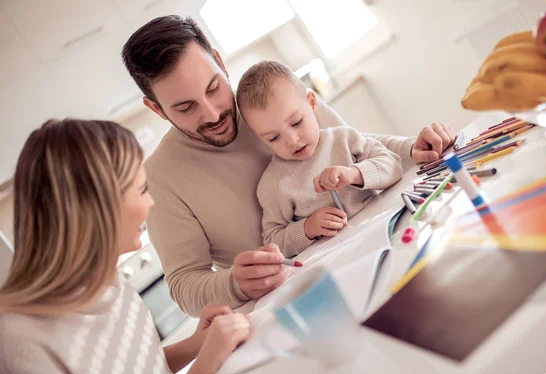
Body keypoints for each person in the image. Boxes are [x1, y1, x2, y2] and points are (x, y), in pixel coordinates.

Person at [121, 15, 457, 314]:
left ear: (221, 64)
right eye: (185, 108)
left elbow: (352, 145)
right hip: (300, 307)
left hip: (377, 248)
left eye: (213, 88)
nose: (211, 114)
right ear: (156, 109)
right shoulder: (161, 178)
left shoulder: (273, 95)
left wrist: (413, 148)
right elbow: (183, 286)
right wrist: (235, 283)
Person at [0, 119, 251, 374]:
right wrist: (205, 368)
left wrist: (198, 344)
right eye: (142, 190)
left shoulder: (107, 282)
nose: (150, 203)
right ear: (97, 208)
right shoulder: (18, 342)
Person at [237, 61, 403, 257]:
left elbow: (393, 165)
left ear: (312, 103)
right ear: (261, 138)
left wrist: (354, 173)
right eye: (274, 137)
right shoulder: (273, 185)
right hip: (339, 258)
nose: (292, 140)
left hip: (389, 230)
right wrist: (307, 228)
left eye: (297, 122)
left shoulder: (344, 139)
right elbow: (274, 241)